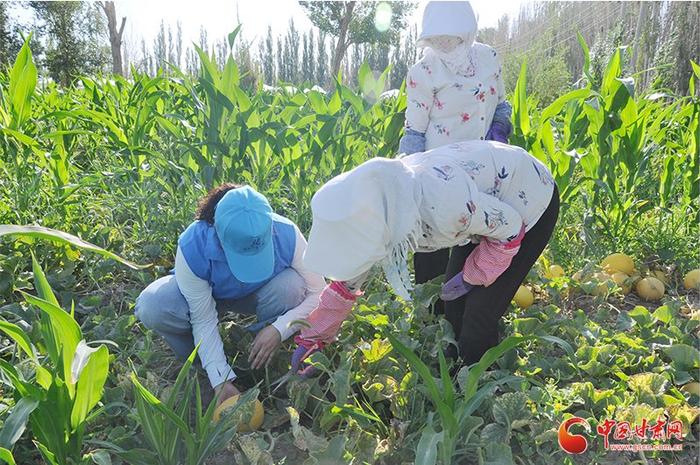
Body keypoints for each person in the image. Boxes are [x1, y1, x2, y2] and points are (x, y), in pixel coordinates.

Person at [290, 141, 559, 375]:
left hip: (529, 204)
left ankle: (478, 390)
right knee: (452, 307)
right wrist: (314, 337)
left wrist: (476, 273)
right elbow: (348, 280)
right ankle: (454, 371)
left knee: (478, 315)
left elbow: (511, 228)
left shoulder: (445, 206)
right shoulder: (378, 203)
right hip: (484, 208)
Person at [135, 184, 325, 405]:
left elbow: (319, 292)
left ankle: (255, 353)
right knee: (153, 305)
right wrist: (219, 378)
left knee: (292, 286)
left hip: (258, 294)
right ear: (217, 233)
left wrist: (279, 329)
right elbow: (203, 317)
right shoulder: (193, 245)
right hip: (206, 297)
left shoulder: (287, 234)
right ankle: (200, 364)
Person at [399, 1, 514, 314]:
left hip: (483, 166)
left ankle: (464, 306)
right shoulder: (423, 72)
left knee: (475, 233)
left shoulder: (489, 57)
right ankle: (429, 311)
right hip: (440, 169)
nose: (444, 47)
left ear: (468, 32)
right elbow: (414, 132)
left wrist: (500, 128)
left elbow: (502, 104)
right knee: (434, 239)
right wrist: (409, 177)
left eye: (451, 39)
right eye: (437, 41)